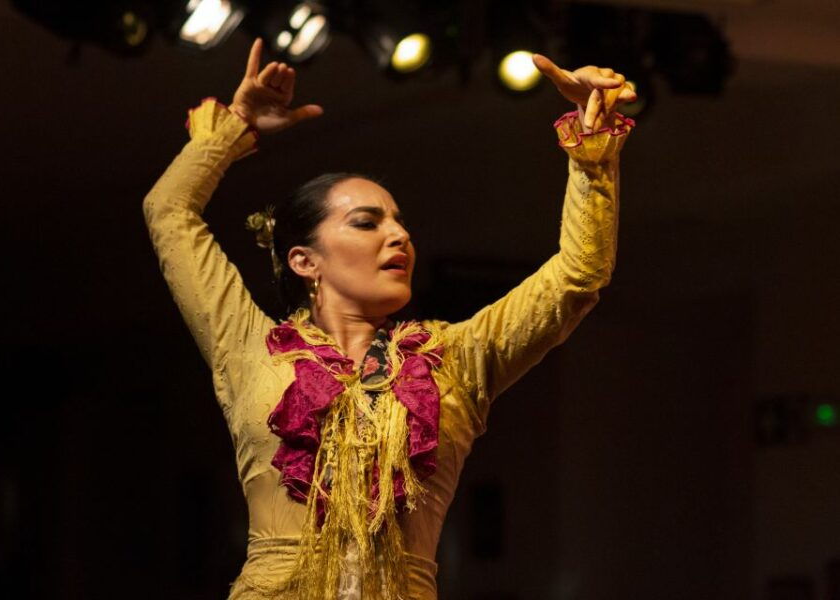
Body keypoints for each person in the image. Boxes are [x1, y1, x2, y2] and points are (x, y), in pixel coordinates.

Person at [143, 37, 635, 600]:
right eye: (366, 223)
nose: (399, 235)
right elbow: (169, 213)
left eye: (399, 223)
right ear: (306, 261)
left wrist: (592, 144)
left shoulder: (458, 358)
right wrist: (236, 125)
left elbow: (578, 276)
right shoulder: (248, 344)